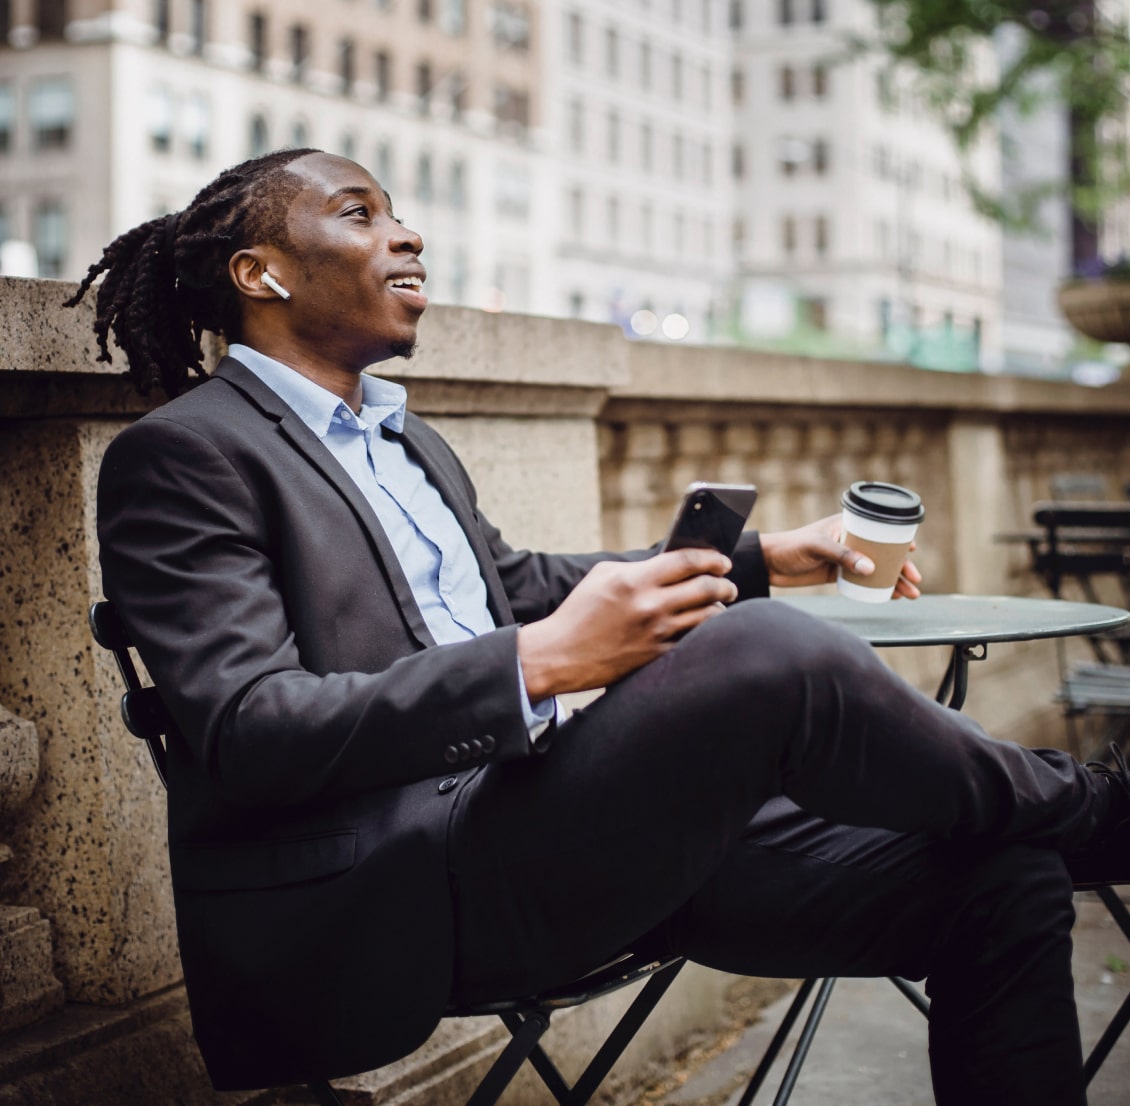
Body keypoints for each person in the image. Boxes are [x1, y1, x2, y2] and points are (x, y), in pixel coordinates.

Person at [70, 148, 1128, 1106]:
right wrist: (541, 660)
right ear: (263, 274)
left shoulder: (406, 440)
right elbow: (252, 729)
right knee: (759, 650)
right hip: (406, 889)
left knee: (1002, 878)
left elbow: (516, 580)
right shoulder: (183, 456)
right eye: (360, 214)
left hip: (561, 836)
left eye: (396, 212)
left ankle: (1065, 824)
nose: (407, 234)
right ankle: (1100, 814)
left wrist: (762, 561)